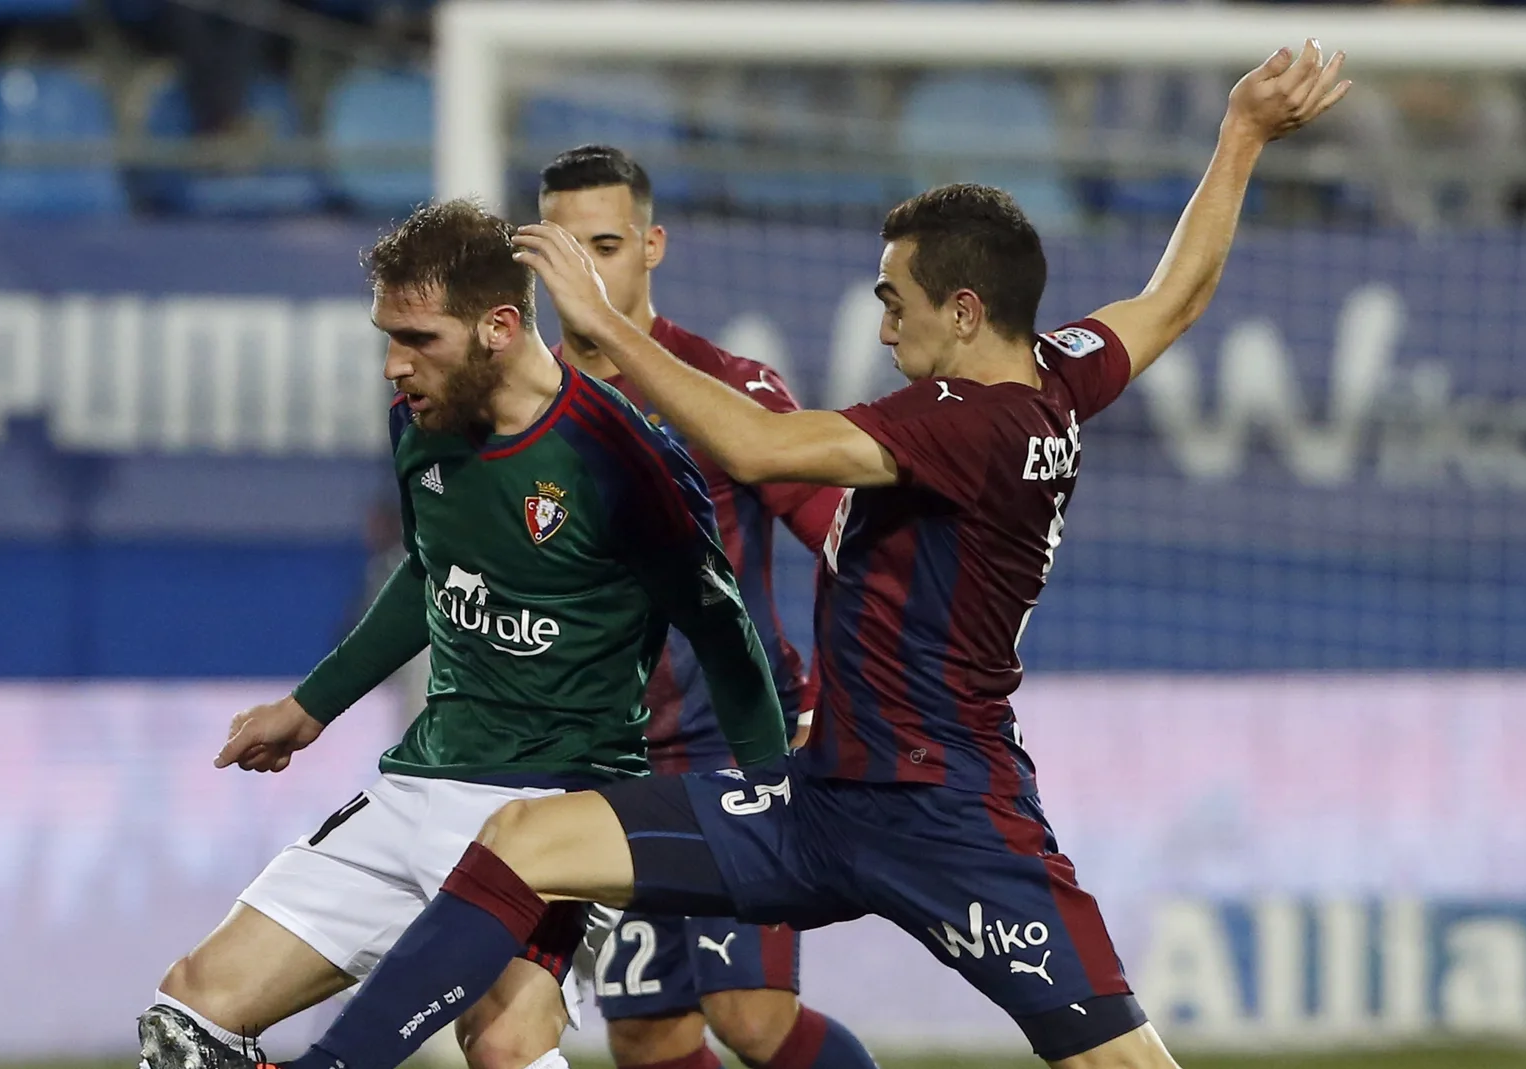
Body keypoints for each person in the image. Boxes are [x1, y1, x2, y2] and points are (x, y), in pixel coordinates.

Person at [268, 41, 1348, 1069]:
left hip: (947, 816)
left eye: (896, 301)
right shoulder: (1059, 374)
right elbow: (1177, 294)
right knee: (522, 841)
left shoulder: (960, 425)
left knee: (1113, 1051)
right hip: (821, 797)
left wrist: (604, 326)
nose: (884, 327)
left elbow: (754, 442)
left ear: (963, 313)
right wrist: (1241, 133)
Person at [137, 200, 788, 1069]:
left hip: (550, 804)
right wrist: (312, 705)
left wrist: (774, 798)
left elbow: (721, 628)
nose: (392, 366)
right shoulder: (423, 419)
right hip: (420, 780)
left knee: (505, 1042)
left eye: (417, 338)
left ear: (500, 326)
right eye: (386, 335)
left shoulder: (621, 459)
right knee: (190, 1012)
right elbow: (433, 568)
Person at [538, 144, 874, 1069]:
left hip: (738, 749)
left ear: (652, 245)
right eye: (563, 249)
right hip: (608, 764)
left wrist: (827, 697)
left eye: (604, 244)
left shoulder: (726, 389)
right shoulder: (519, 407)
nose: (585, 271)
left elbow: (846, 536)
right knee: (646, 1035)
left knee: (751, 1013)